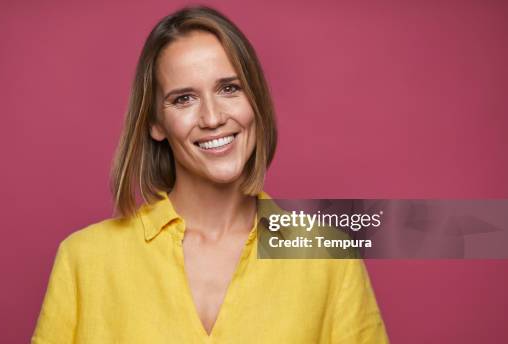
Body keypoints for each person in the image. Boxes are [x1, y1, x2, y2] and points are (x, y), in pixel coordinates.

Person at [32, 6, 389, 343]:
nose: (213, 118)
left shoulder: (328, 258)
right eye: (184, 98)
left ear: (256, 101)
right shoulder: (85, 260)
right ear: (156, 122)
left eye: (229, 88)